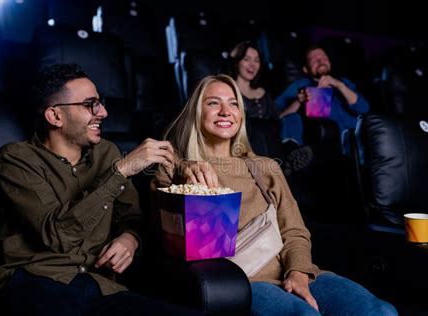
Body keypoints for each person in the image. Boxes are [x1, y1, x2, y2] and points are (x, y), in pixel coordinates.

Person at [153, 74, 397, 315]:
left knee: (381, 310)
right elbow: (166, 235)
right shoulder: (174, 170)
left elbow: (294, 231)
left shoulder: (266, 167)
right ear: (197, 112)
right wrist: (184, 170)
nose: (226, 111)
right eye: (213, 102)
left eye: (234, 103)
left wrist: (298, 273)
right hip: (242, 283)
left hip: (296, 272)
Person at [0, 63, 203, 316]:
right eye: (90, 104)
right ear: (55, 116)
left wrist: (130, 239)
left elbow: (132, 217)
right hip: (35, 281)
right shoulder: (17, 159)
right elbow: (57, 236)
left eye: (101, 102)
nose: (104, 112)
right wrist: (120, 172)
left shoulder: (105, 152)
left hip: (100, 285)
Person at [230, 40, 313, 175]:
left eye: (256, 60)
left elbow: (279, 118)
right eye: (247, 59)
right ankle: (285, 162)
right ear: (237, 61)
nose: (252, 64)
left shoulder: (262, 92)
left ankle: (290, 151)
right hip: (250, 142)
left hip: (272, 139)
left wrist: (299, 101)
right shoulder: (229, 91)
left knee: (293, 117)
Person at [275, 44, 370, 155]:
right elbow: (277, 115)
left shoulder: (344, 82)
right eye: (314, 60)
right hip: (330, 144)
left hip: (359, 141)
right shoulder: (300, 85)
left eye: (323, 57)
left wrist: (339, 85)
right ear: (306, 69)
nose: (320, 60)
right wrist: (314, 93)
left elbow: (364, 110)